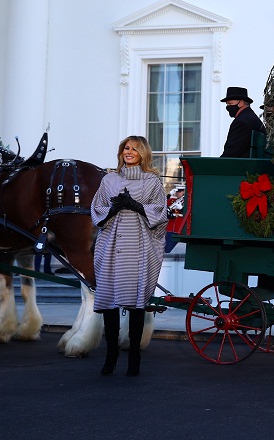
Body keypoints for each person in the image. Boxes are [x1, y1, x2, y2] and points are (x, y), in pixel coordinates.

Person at [90, 135, 173, 377]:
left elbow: (160, 211)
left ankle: (134, 356)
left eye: (134, 149)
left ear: (143, 154)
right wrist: (114, 208)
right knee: (108, 304)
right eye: (126, 148)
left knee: (137, 305)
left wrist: (136, 205)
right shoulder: (109, 179)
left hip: (138, 248)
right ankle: (111, 354)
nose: (129, 152)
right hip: (111, 247)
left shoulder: (151, 181)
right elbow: (97, 208)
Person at [219, 86, 266, 158]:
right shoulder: (250, 117)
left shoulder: (241, 122)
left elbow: (231, 153)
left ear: (241, 103)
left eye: (230, 103)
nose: (227, 107)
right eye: (227, 104)